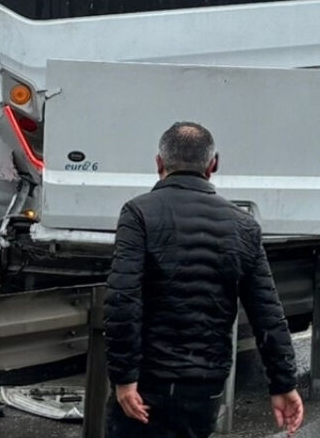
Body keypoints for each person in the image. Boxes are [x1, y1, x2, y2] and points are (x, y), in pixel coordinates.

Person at [105, 122, 303, 438]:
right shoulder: (243, 226)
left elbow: (122, 299)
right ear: (213, 165)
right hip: (204, 385)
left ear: (159, 163)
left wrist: (124, 377)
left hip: (147, 380)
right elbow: (268, 313)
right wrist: (284, 384)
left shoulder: (138, 214)